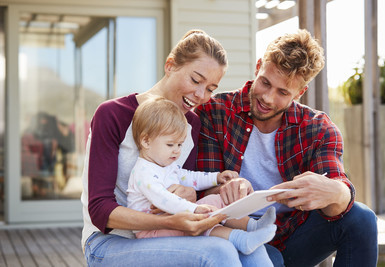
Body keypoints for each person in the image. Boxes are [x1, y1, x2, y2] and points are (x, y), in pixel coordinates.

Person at [81, 29, 266, 267]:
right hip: (108, 242)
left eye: (210, 88)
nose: (200, 95)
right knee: (218, 252)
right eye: (195, 80)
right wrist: (170, 222)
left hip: (168, 235)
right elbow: (100, 210)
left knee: (254, 251)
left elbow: (182, 185)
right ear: (170, 65)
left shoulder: (191, 124)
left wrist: (215, 188)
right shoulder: (113, 114)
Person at [195, 29, 378, 267]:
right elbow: (200, 191)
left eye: (283, 92)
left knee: (362, 218)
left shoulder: (317, 129)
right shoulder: (214, 112)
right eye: (265, 83)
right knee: (270, 259)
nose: (268, 98)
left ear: (300, 92)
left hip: (294, 234)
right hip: (234, 234)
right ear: (259, 66)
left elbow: (339, 200)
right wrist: (224, 188)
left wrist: (334, 191)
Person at [126, 96, 276, 264]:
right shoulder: (143, 172)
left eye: (179, 145)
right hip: (151, 231)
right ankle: (241, 239)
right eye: (170, 145)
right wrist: (194, 210)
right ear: (146, 141)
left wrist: (216, 177)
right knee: (202, 221)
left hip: (171, 218)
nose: (176, 151)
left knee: (216, 199)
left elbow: (189, 177)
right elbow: (163, 199)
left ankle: (252, 226)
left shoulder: (166, 164)